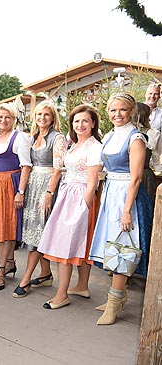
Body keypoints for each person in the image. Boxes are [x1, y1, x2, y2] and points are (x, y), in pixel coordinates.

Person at [89, 92, 153, 325]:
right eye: (113, 110)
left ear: (131, 110)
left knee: (123, 246)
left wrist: (127, 210)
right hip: (111, 193)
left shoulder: (136, 138)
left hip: (128, 195)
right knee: (112, 244)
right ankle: (118, 295)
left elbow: (136, 178)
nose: (118, 114)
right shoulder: (109, 135)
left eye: (123, 110)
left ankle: (115, 303)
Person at [37, 104, 103, 309]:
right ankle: (82, 285)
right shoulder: (73, 144)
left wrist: (83, 207)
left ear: (93, 123)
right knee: (75, 243)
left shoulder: (94, 147)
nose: (80, 125)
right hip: (67, 194)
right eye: (76, 121)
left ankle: (61, 294)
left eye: (85, 121)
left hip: (82, 198)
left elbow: (93, 182)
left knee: (65, 244)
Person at [13, 101, 66, 298]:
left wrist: (49, 194)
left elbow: (58, 169)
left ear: (53, 117)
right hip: (33, 185)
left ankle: (26, 279)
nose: (42, 118)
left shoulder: (57, 138)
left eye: (47, 115)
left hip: (47, 187)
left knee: (39, 231)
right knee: (36, 230)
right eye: (39, 114)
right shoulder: (33, 137)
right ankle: (45, 274)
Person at [0, 103, 32, 291]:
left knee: (6, 228)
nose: (3, 121)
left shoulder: (19, 137)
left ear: (14, 119)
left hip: (9, 184)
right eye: (0, 117)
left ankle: (1, 270)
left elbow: (26, 166)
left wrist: (20, 192)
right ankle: (9, 262)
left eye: (7, 117)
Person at [134, 101, 161, 205]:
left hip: (125, 175)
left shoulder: (119, 133)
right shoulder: (153, 134)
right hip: (144, 175)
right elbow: (156, 160)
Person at [145, 83, 162, 172]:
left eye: (156, 94)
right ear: (146, 94)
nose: (152, 96)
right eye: (150, 93)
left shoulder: (161, 114)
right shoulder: (137, 110)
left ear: (159, 96)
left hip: (155, 156)